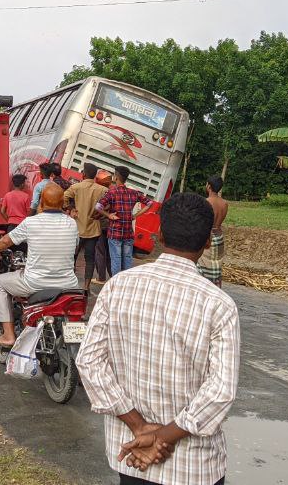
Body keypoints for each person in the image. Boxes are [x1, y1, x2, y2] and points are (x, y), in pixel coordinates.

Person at [79, 192, 239, 485]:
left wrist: (140, 428)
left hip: (133, 454)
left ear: (160, 233)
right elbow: (220, 391)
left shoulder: (118, 287)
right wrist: (164, 435)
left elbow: (89, 362)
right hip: (194, 466)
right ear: (206, 242)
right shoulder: (218, 304)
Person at [0, 183, 81, 346]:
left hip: (35, 283)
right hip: (69, 285)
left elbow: (6, 241)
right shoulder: (71, 223)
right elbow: (75, 245)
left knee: (0, 282)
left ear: (41, 203)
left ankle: (8, 336)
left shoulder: (31, 222)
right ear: (62, 204)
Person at [96, 166, 152, 275]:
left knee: (116, 258)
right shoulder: (134, 193)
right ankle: (125, 281)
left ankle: (115, 283)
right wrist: (135, 215)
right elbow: (150, 203)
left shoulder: (112, 193)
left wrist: (109, 215)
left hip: (114, 232)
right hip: (128, 233)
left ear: (116, 177)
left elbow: (98, 207)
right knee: (127, 259)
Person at [65, 163, 108, 288]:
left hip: (77, 228)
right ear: (95, 176)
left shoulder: (76, 187)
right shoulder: (103, 190)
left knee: (72, 256)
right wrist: (102, 214)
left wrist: (71, 208)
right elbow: (112, 202)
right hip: (93, 230)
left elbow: (63, 198)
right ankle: (86, 287)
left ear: (83, 174)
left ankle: (69, 283)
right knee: (90, 259)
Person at [198, 176, 230, 287]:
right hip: (219, 237)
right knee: (216, 266)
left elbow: (202, 222)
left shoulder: (206, 202)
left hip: (208, 237)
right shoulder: (224, 204)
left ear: (209, 186)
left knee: (203, 267)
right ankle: (215, 288)